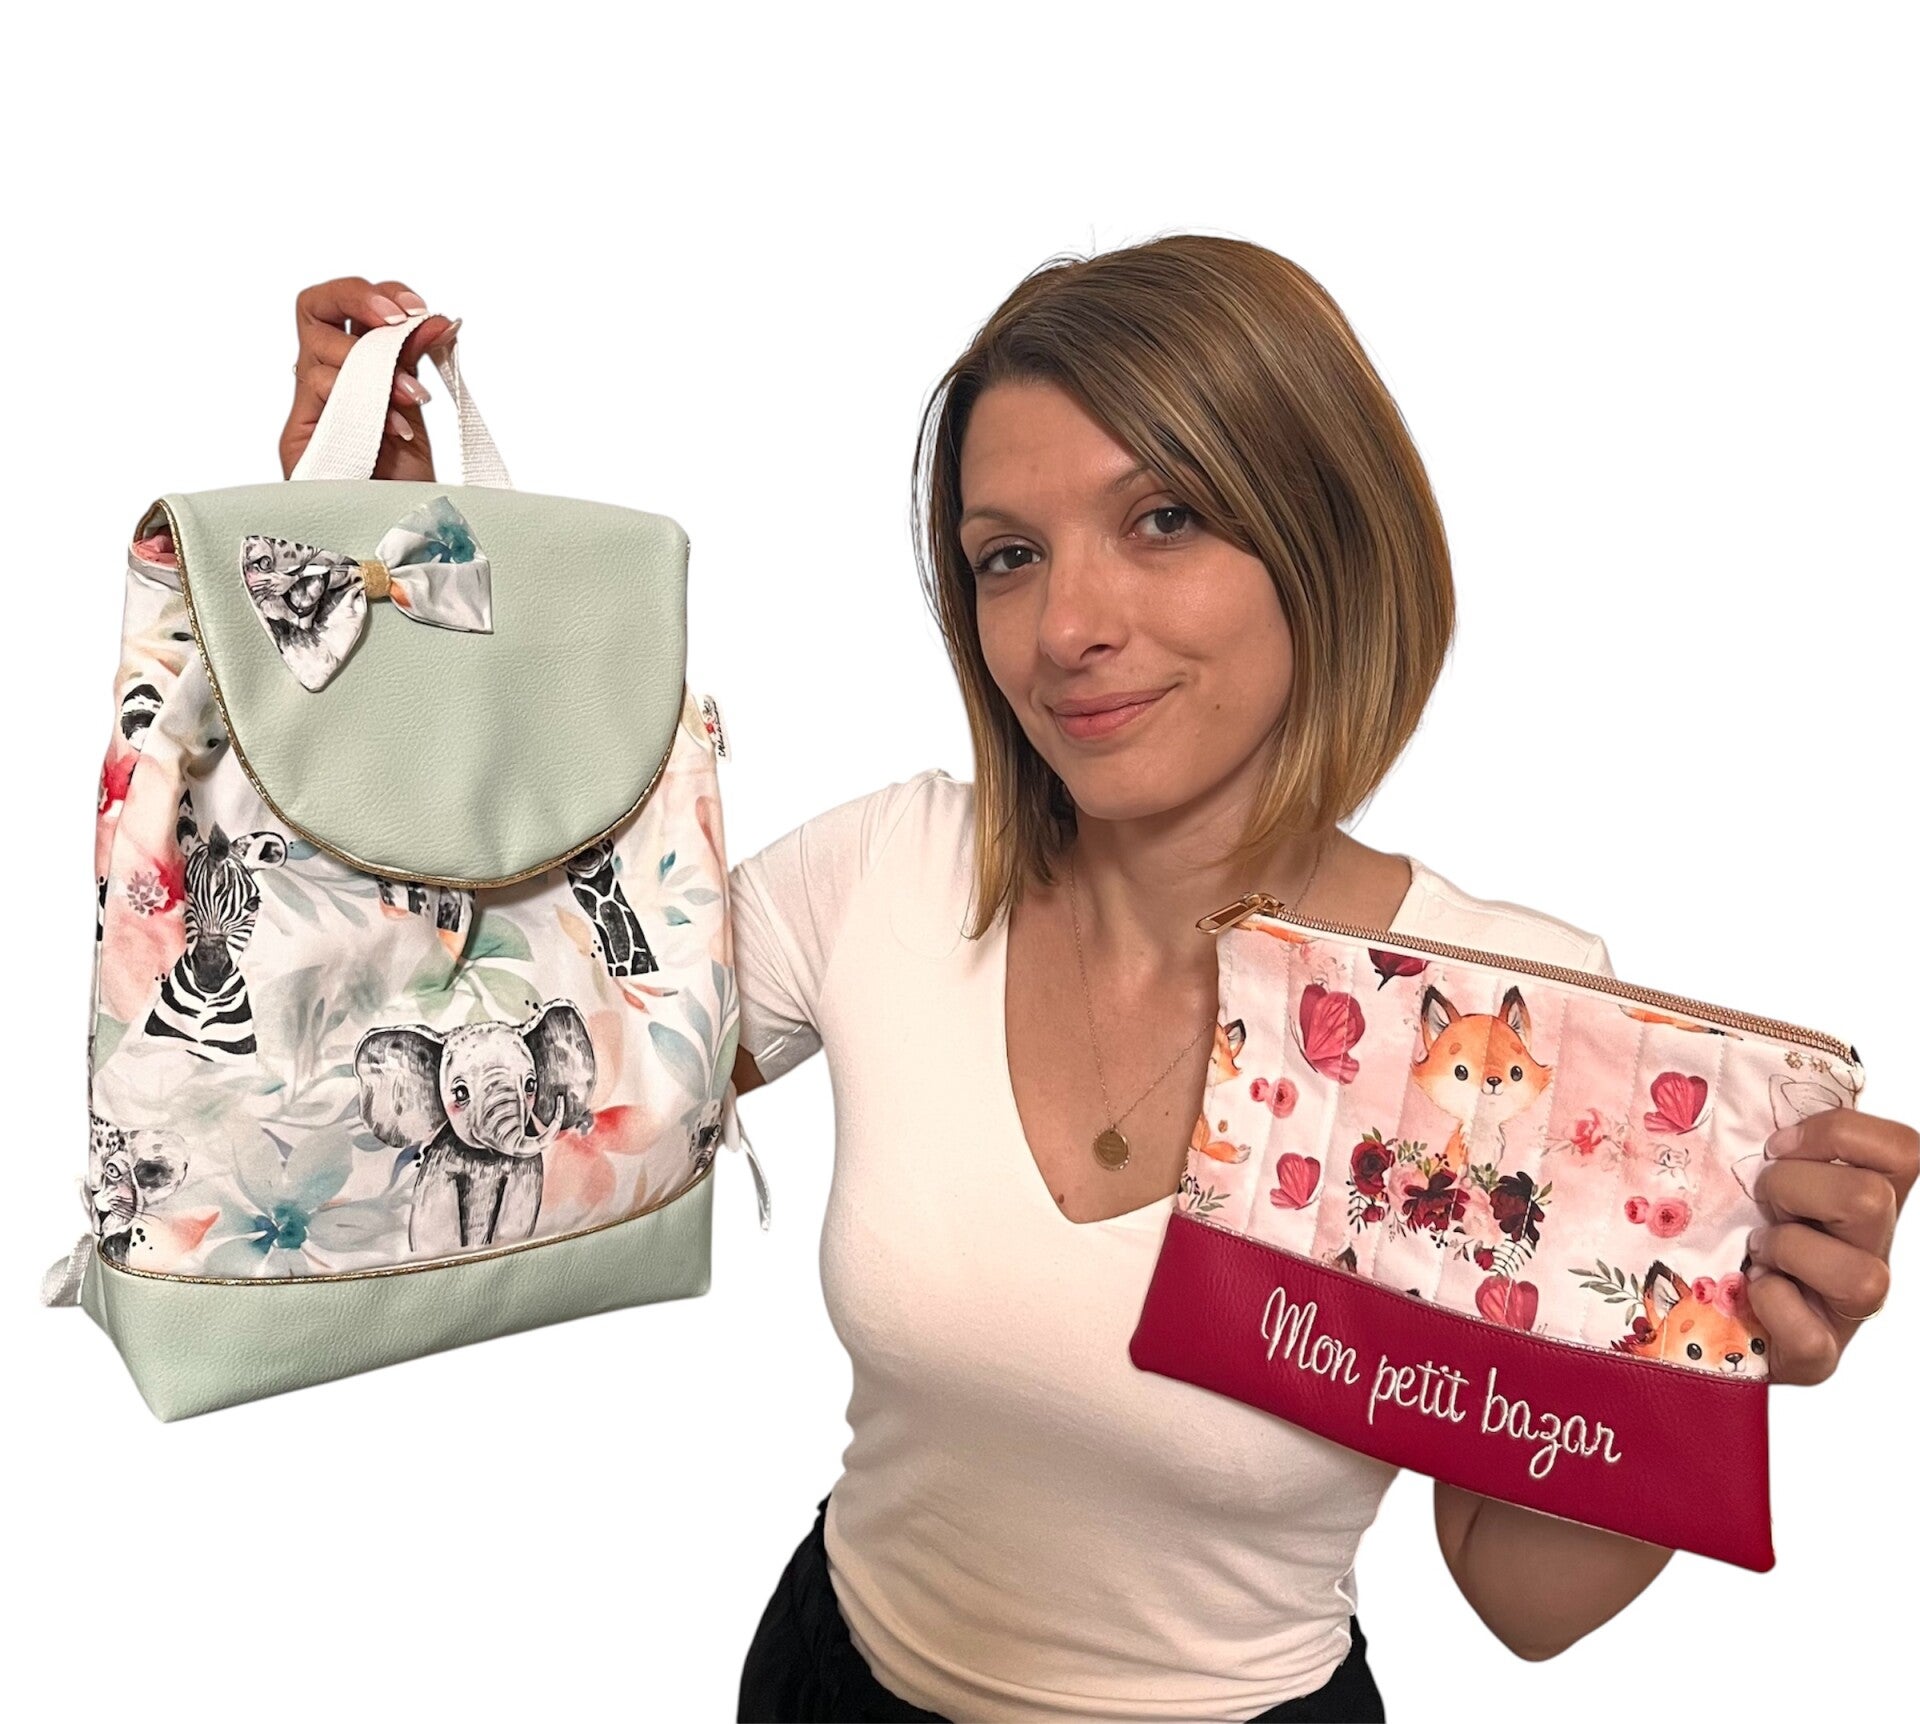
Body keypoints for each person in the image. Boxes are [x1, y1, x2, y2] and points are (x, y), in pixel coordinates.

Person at [279, 241, 1915, 1724]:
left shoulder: (1494, 1019)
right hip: (833, 1681)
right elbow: (483, 1067)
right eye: (1006, 555)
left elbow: (1523, 1597)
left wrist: (1719, 1356)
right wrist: (390, 599)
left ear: (1324, 535)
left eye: (1164, 519)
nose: (1066, 626)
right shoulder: (886, 874)